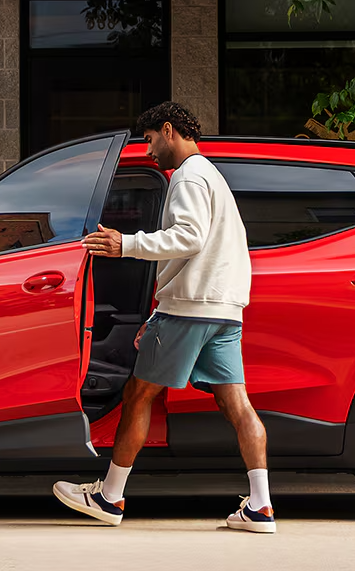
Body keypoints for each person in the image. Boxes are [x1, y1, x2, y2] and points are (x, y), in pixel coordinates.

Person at [51, 102, 275, 534]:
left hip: (189, 308)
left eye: (151, 140)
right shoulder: (212, 175)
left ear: (168, 130)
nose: (150, 151)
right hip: (225, 309)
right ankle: (260, 508)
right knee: (237, 405)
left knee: (137, 395)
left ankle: (109, 496)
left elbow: (187, 238)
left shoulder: (189, 176)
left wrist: (126, 243)